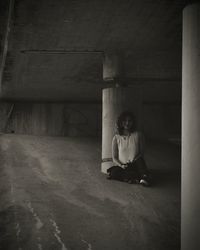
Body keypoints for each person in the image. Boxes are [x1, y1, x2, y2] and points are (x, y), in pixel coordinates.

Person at [107, 111, 150, 186]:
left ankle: (142, 178)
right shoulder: (116, 138)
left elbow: (141, 153)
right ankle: (137, 177)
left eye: (129, 121)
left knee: (140, 161)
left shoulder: (138, 135)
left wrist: (133, 161)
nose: (127, 123)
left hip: (135, 164)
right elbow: (114, 158)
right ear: (121, 122)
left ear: (133, 122)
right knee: (113, 172)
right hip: (123, 166)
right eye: (124, 120)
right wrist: (122, 165)